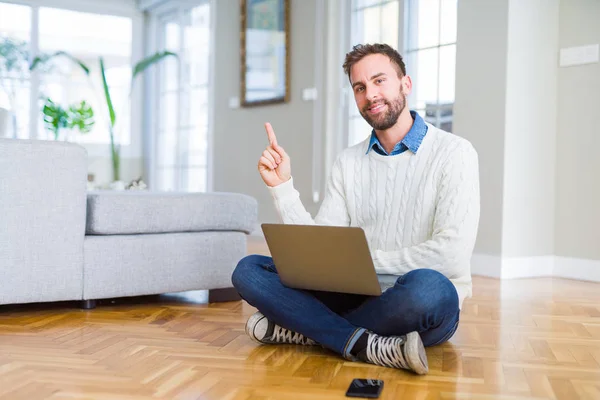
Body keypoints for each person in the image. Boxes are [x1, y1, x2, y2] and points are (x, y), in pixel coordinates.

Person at [231, 43, 480, 375]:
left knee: (432, 289)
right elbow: (318, 252)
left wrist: (366, 261)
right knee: (249, 270)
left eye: (379, 81)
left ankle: (306, 330)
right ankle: (364, 344)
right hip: (352, 293)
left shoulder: (455, 153)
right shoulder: (348, 161)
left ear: (405, 84)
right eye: (360, 88)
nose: (370, 95)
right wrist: (282, 187)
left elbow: (452, 256)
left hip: (413, 305)